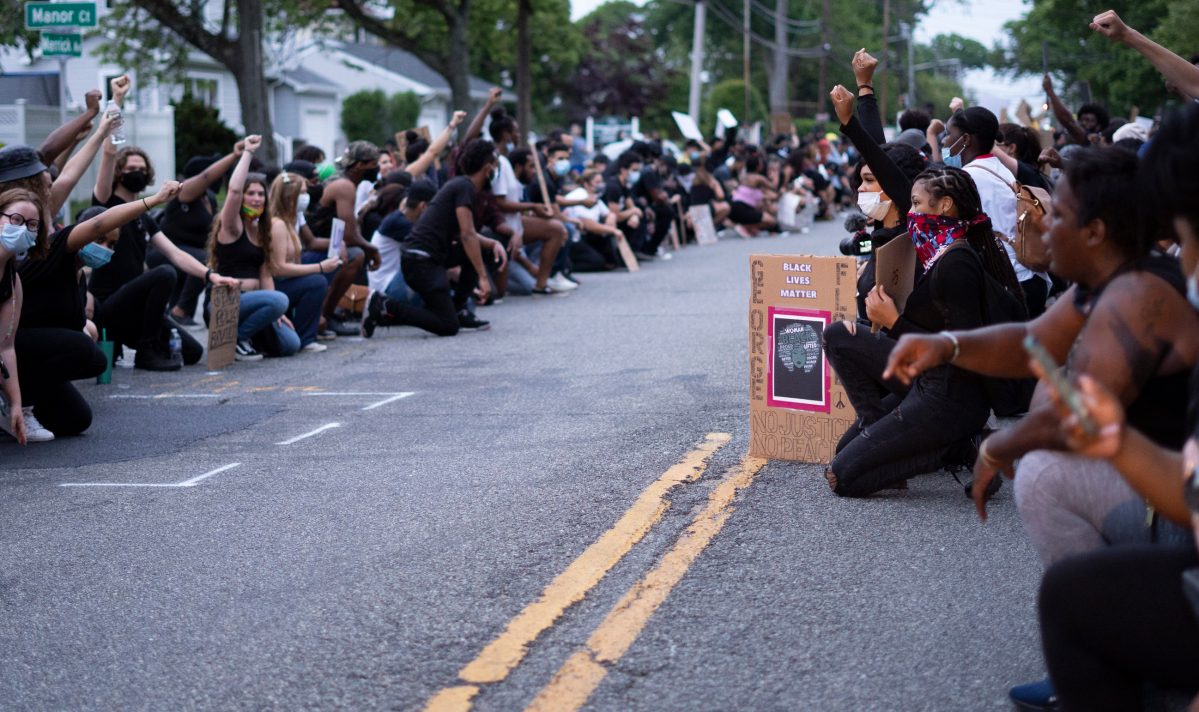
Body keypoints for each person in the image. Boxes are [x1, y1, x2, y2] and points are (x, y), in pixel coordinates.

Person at [822, 161, 1026, 497]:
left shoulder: (957, 263)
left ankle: (960, 450)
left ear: (944, 205)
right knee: (839, 336)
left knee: (842, 477)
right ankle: (877, 429)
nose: (911, 211)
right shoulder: (934, 249)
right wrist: (851, 122)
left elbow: (964, 352)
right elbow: (895, 178)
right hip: (923, 375)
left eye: (916, 204)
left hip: (949, 394)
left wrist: (895, 323)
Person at [89, 141, 221, 370]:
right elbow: (108, 155)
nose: (137, 173)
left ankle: (144, 341)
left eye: (141, 169)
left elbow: (176, 254)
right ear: (118, 173)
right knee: (164, 274)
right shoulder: (107, 206)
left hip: (134, 306)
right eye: (131, 169)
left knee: (191, 352)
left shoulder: (145, 218)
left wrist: (210, 275)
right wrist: (111, 123)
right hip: (108, 304)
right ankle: (146, 352)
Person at [360, 139, 508, 338]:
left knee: (481, 250)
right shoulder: (464, 186)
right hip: (420, 262)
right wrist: (482, 277)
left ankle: (460, 309)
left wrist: (491, 243)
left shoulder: (462, 186)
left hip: (430, 258)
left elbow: (460, 232)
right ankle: (384, 305)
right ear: (488, 167)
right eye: (495, 164)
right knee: (447, 326)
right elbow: (467, 235)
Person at [944, 105, 1053, 318]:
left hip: (1011, 286)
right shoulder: (1000, 170)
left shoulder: (968, 178)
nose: (945, 142)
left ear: (965, 140)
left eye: (949, 135)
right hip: (1031, 279)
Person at [208, 135, 300, 360]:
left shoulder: (261, 231)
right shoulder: (232, 227)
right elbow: (233, 192)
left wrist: (277, 312)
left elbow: (266, 275)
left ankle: (247, 336)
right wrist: (248, 153)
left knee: (290, 344)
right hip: (225, 301)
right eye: (251, 193)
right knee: (280, 300)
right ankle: (237, 337)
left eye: (261, 194)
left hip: (257, 302)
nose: (257, 199)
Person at [153, 140, 247, 325]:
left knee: (212, 256)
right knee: (205, 259)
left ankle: (205, 311)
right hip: (166, 250)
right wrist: (235, 155)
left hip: (191, 251)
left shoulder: (209, 198)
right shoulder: (183, 192)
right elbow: (206, 177)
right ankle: (181, 310)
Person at [304, 140, 379, 336]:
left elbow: (349, 229)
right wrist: (372, 249)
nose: (376, 168)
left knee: (353, 252)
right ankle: (324, 316)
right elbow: (348, 234)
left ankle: (324, 315)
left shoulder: (344, 181)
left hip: (320, 243)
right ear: (360, 165)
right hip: (310, 247)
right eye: (374, 163)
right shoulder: (344, 185)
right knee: (356, 255)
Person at [488, 111, 568, 294]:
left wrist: (535, 212)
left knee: (556, 228)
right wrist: (533, 206)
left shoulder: (506, 161)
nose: (518, 135)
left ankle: (542, 283)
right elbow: (499, 202)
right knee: (502, 291)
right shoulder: (499, 162)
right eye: (515, 131)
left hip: (516, 223)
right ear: (506, 134)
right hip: (502, 227)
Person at [267, 172, 340, 353]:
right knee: (316, 281)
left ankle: (309, 327)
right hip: (274, 286)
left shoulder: (291, 220)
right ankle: (305, 337)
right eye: (302, 193)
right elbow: (279, 268)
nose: (306, 197)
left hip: (283, 284)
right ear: (289, 197)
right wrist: (320, 267)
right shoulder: (278, 225)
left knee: (318, 277)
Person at [0, 189, 39, 443]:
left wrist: (16, 404)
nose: (23, 228)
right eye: (16, 220)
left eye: (32, 224)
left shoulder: (13, 281)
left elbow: (6, 347)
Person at [728, 154, 779, 237]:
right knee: (771, 222)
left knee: (764, 206)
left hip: (734, 207)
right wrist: (775, 172)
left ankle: (749, 228)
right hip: (742, 208)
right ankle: (746, 227)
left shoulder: (744, 177)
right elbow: (774, 186)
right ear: (758, 166)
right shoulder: (758, 178)